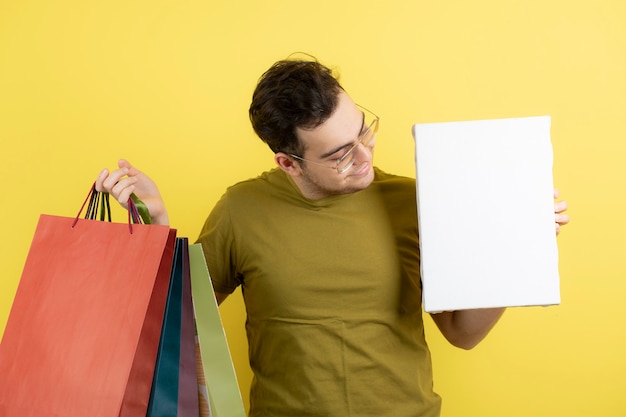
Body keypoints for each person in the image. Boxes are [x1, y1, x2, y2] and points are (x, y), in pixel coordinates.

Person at [97, 56, 570, 417]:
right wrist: (155, 223)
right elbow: (177, 325)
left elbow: (463, 334)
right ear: (289, 162)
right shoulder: (241, 209)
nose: (364, 156)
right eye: (341, 154)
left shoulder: (415, 201)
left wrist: (516, 245)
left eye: (365, 133)